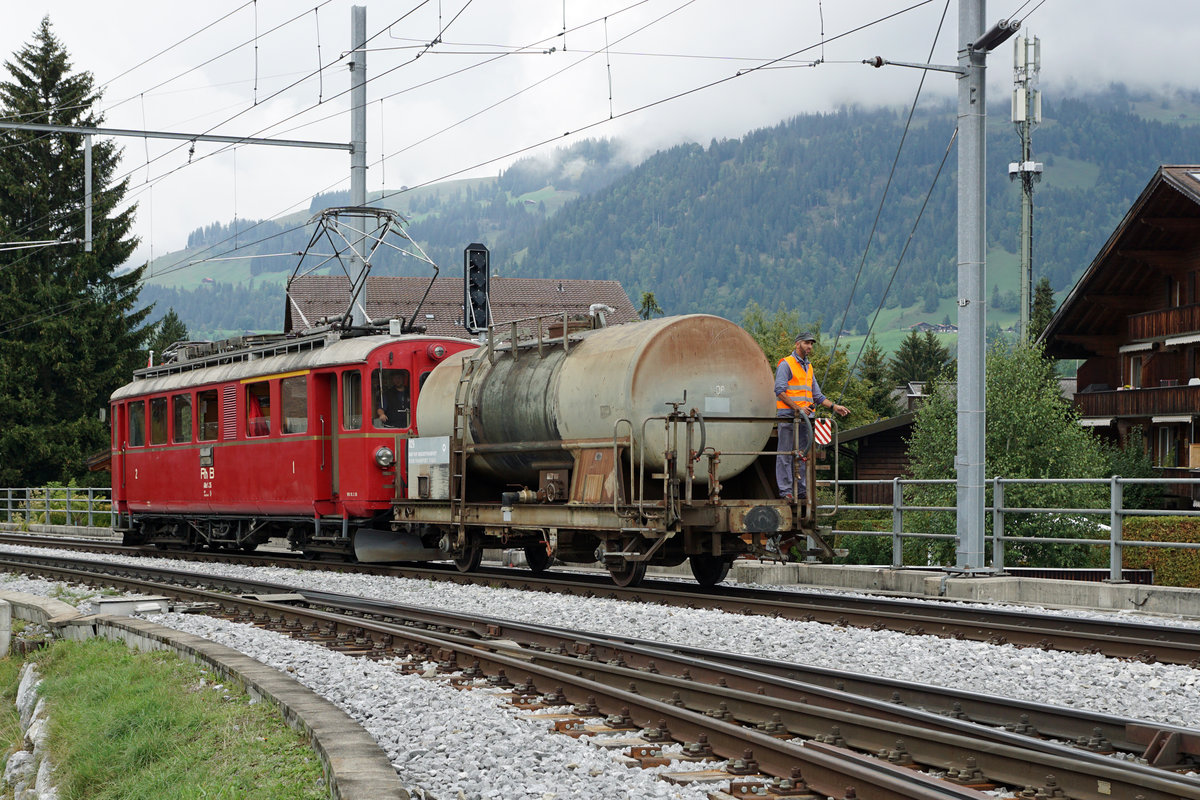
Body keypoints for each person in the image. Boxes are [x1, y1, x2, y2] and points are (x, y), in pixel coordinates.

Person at [775, 332, 849, 501]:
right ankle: (786, 490)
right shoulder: (786, 364)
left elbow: (817, 395)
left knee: (802, 454)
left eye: (811, 344)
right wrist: (798, 408)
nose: (809, 347)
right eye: (807, 343)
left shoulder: (808, 367)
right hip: (788, 417)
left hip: (805, 420)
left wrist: (834, 406)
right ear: (797, 344)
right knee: (785, 453)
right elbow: (779, 391)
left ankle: (801, 490)